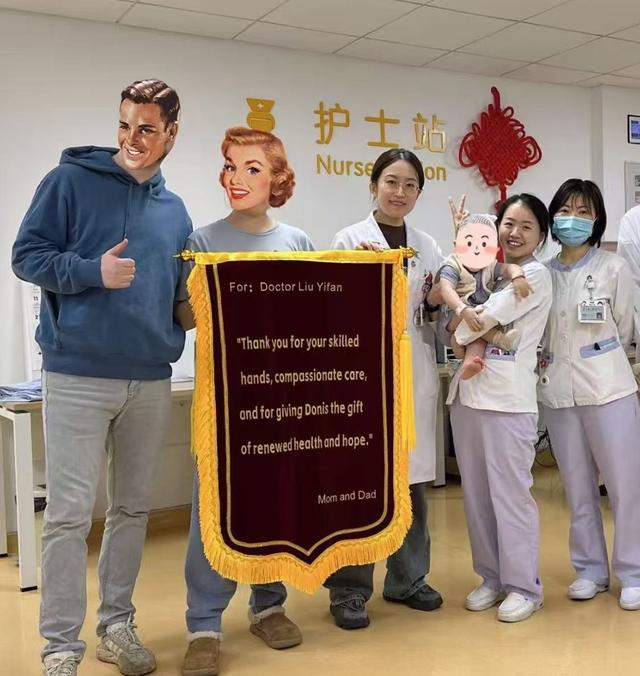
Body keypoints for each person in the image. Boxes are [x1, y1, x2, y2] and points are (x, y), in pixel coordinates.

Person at [12, 79, 191, 676]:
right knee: (67, 516)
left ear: (171, 133)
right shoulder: (69, 182)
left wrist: (215, 304)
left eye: (147, 128)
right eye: (124, 125)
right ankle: (60, 648)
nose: (132, 139)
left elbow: (178, 301)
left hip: (150, 378)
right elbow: (26, 256)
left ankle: (117, 627)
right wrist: (92, 271)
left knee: (132, 510)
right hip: (77, 374)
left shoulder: (175, 210)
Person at [175, 127, 312, 676]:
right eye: (231, 165)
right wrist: (217, 295)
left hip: (279, 402)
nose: (237, 177)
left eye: (252, 167)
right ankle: (204, 623)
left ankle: (268, 606)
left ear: (277, 178)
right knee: (212, 509)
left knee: (272, 504)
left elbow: (316, 318)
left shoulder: (297, 242)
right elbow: (184, 317)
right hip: (223, 403)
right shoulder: (203, 240)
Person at [325, 148, 444, 630]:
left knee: (411, 483)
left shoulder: (428, 246)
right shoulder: (348, 239)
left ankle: (408, 579)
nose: (400, 192)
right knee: (361, 486)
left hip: (413, 372)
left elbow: (434, 316)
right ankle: (349, 590)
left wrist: (436, 305)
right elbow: (331, 309)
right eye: (391, 182)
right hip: (363, 372)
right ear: (373, 186)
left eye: (410, 185)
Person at [445, 193, 552, 623]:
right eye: (509, 223)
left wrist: (462, 322)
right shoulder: (484, 270)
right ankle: (491, 577)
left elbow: (478, 320)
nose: (515, 232)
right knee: (477, 497)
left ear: (541, 236)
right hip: (468, 399)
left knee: (510, 497)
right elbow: (453, 324)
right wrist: (461, 321)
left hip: (508, 402)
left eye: (527, 226)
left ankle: (525, 586)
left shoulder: (535, 275)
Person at [538, 179, 640, 611]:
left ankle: (633, 572)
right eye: (565, 211)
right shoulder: (541, 272)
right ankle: (590, 570)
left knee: (625, 487)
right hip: (559, 394)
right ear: (552, 217)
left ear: (597, 220)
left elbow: (628, 327)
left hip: (609, 389)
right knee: (577, 488)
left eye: (583, 212)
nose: (573, 219)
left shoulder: (613, 268)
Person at [429, 207, 532, 379]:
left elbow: (509, 268)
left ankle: (469, 363)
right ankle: (499, 339)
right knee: (477, 321)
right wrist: (462, 310)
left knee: (477, 336)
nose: (476, 250)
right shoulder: (453, 265)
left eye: (484, 244)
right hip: (452, 318)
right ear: (456, 246)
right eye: (469, 244)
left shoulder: (489, 266)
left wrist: (518, 277)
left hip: (474, 321)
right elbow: (446, 289)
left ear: (495, 249)